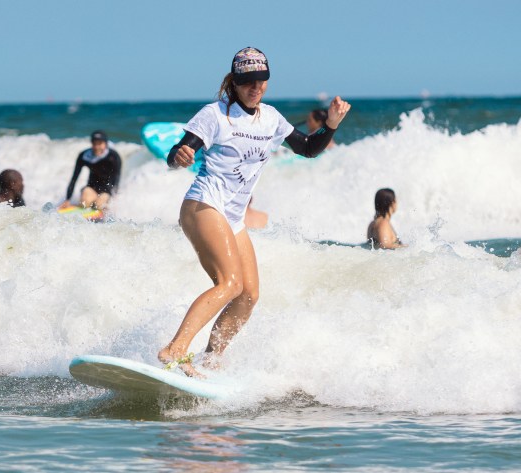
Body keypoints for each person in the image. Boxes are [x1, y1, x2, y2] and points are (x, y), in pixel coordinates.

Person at [159, 47, 351, 377]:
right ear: (234, 82)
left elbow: (307, 148)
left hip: (232, 217)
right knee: (230, 283)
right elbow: (179, 150)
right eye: (248, 81)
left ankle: (211, 361)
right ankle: (175, 349)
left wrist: (330, 126)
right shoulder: (215, 114)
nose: (256, 87)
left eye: (261, 80)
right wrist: (180, 156)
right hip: (204, 204)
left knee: (248, 294)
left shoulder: (272, 118)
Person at [60, 130, 122, 210]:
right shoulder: (84, 156)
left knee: (98, 206)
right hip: (91, 188)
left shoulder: (113, 157)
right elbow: (74, 178)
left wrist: (114, 197)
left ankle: (102, 207)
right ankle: (79, 205)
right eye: (94, 143)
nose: (97, 147)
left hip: (106, 191)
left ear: (105, 144)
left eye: (100, 144)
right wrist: (68, 199)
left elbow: (117, 177)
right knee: (85, 203)